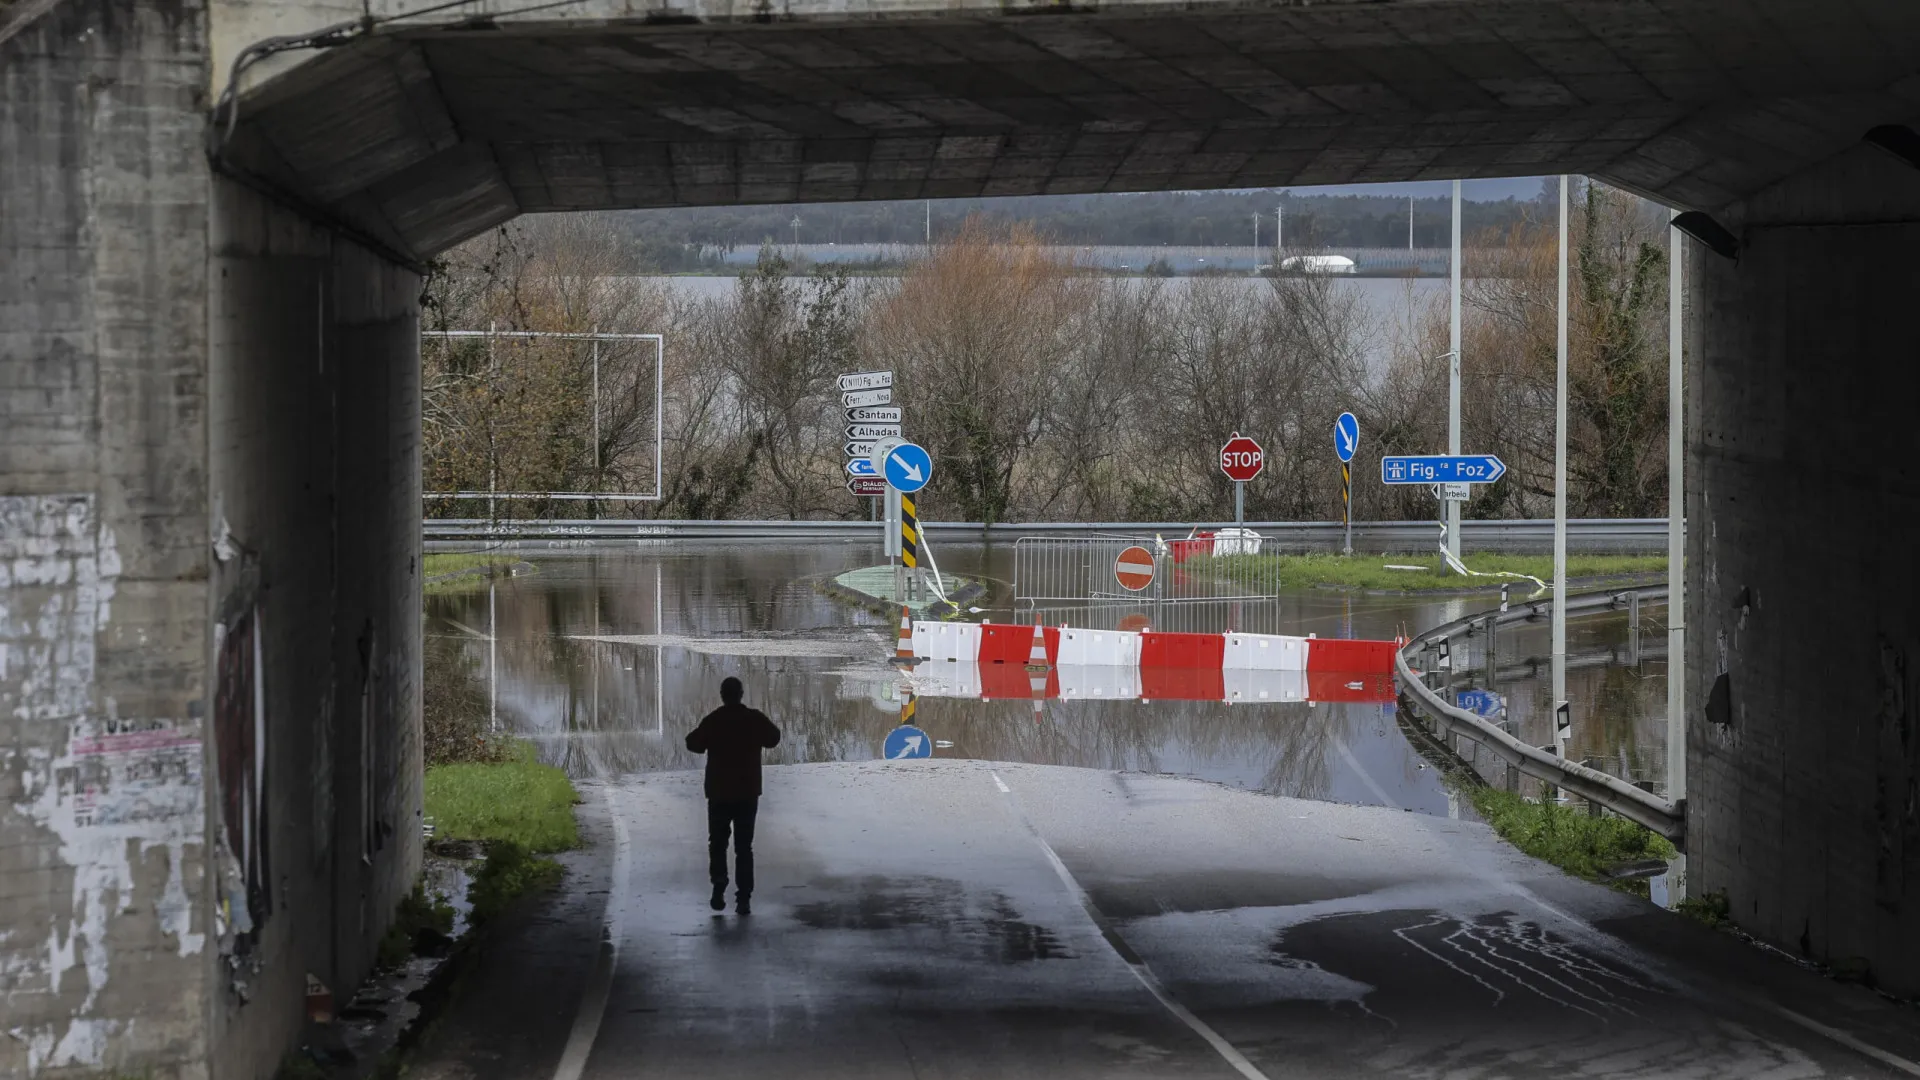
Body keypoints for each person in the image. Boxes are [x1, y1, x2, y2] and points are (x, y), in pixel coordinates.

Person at [684, 677, 781, 915]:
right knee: (744, 847)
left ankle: (718, 884)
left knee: (717, 843)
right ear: (741, 694)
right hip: (747, 792)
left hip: (719, 793)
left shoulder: (714, 720)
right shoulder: (754, 719)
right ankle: (744, 898)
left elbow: (692, 743)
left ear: (722, 695)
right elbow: (774, 738)